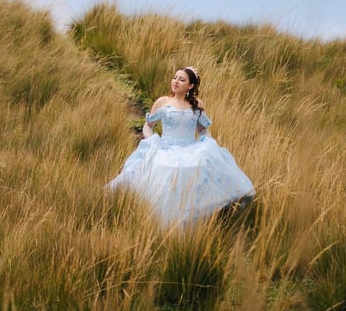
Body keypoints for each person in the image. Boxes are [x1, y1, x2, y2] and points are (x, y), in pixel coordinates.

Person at [105, 66, 255, 227]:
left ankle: (197, 215)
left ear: (190, 86)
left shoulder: (197, 104)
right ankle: (161, 218)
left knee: (199, 166)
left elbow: (203, 130)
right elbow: (148, 126)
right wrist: (153, 142)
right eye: (174, 78)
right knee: (167, 169)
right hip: (167, 147)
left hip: (190, 147)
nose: (176, 82)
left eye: (181, 79)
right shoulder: (163, 102)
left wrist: (210, 145)